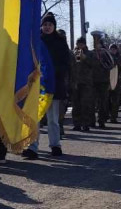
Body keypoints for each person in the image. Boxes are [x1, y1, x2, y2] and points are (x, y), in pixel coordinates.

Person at [27, 12, 70, 158]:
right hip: (36, 84)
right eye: (44, 24)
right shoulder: (35, 40)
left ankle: (55, 145)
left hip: (53, 85)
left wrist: (51, 72)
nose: (47, 27)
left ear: (54, 26)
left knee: (52, 119)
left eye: (50, 24)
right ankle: (32, 147)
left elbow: (65, 63)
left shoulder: (60, 42)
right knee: (35, 117)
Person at [90, 32, 114, 129]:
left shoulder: (105, 53)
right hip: (92, 80)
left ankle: (101, 121)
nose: (96, 44)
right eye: (94, 42)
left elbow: (111, 65)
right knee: (91, 102)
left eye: (98, 42)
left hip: (103, 81)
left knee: (102, 102)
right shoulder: (91, 53)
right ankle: (91, 121)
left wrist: (102, 61)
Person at [71, 37, 95, 132]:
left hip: (86, 82)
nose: (80, 45)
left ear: (85, 44)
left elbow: (95, 65)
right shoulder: (72, 53)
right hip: (75, 82)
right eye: (78, 44)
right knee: (75, 104)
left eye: (82, 44)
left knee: (85, 104)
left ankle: (86, 124)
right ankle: (76, 124)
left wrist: (85, 59)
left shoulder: (90, 53)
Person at [107, 43, 121, 122]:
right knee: (106, 100)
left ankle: (113, 117)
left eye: (114, 49)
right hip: (107, 81)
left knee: (115, 101)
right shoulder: (106, 57)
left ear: (117, 50)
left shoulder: (120, 58)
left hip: (117, 81)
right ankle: (106, 115)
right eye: (111, 49)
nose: (113, 50)